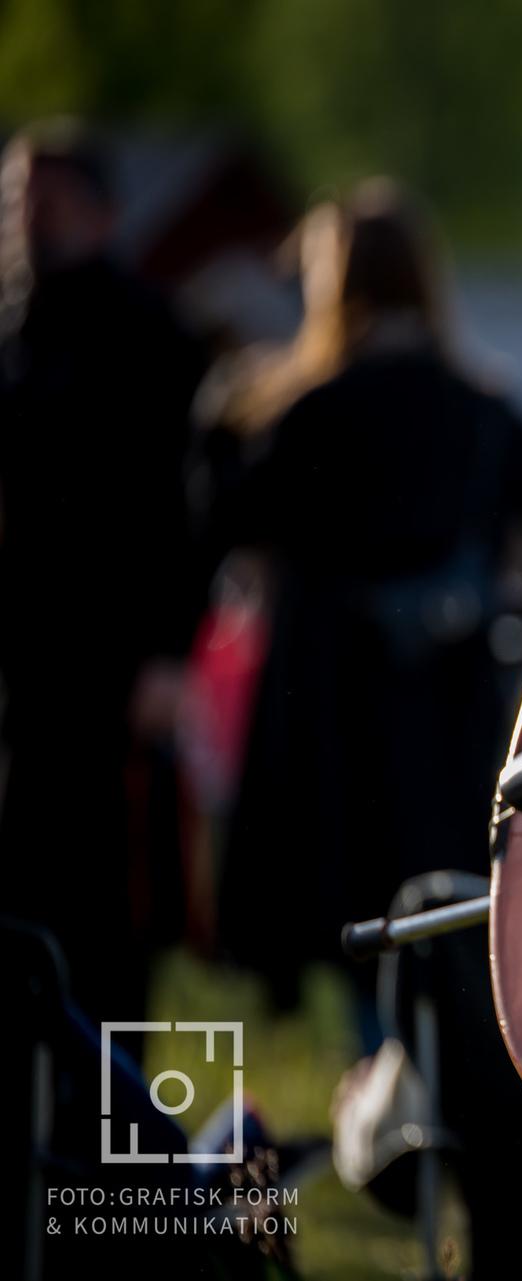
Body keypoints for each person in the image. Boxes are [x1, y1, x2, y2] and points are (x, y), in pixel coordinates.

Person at [199, 179, 522, 1008]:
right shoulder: (482, 409)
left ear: (333, 283)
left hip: (329, 706)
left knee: (352, 924)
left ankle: (379, 1091)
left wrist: (215, 426)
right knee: (447, 918)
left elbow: (224, 520)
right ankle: (435, 1105)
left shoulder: (306, 413)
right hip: (450, 702)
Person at [0, 119, 205, 1025]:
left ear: (99, 210)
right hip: (20, 670)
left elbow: (185, 508)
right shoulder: (13, 329)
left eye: (45, 200)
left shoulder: (148, 331)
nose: (27, 219)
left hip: (116, 667)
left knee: (111, 919)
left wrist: (170, 651)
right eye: (16, 200)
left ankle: (113, 1149)